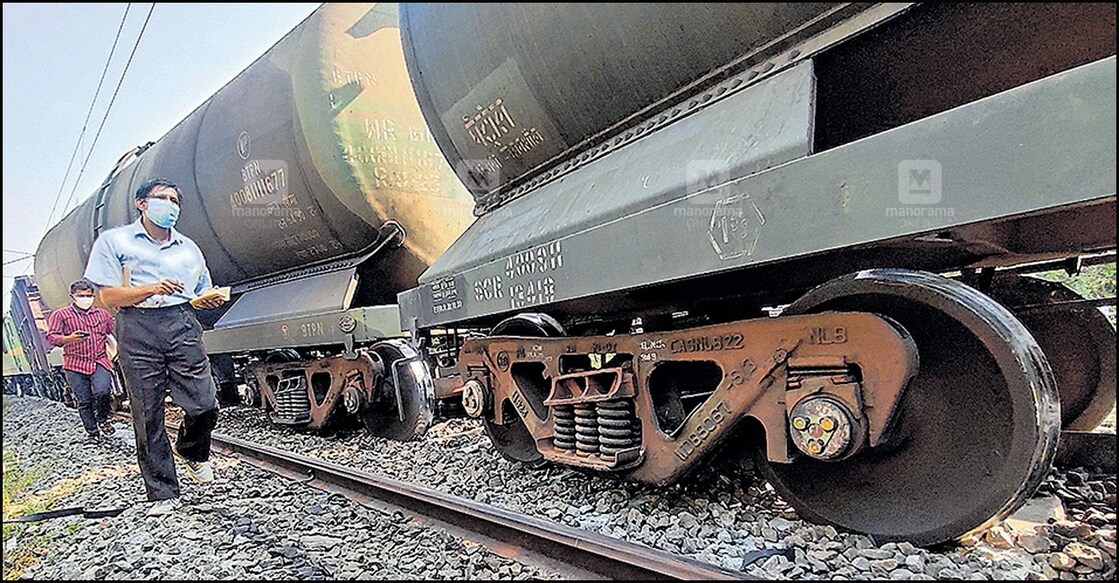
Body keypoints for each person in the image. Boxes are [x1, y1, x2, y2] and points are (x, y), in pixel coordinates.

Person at [82, 178, 227, 516]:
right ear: (141, 203)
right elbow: (107, 296)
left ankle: (192, 451)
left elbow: (200, 289)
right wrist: (151, 289)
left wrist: (206, 300)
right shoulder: (115, 241)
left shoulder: (188, 247)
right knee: (147, 411)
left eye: (175, 200)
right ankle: (162, 492)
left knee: (205, 403)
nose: (169, 205)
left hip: (182, 321)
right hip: (137, 325)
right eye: (161, 198)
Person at [45, 279, 117, 439]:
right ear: (73, 296)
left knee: (103, 391)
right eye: (81, 296)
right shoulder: (61, 315)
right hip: (74, 364)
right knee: (84, 401)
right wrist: (68, 338)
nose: (85, 299)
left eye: (88, 295)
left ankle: (103, 419)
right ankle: (93, 433)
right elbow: (51, 337)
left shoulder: (102, 314)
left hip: (99, 360)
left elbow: (112, 332)